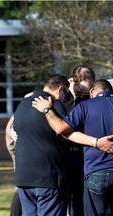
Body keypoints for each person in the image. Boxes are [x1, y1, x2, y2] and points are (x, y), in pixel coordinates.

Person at [32, 79, 113, 215]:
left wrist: (47, 110)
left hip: (97, 171)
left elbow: (61, 129)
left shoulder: (85, 106)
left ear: (92, 92)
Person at [13, 74, 70, 216]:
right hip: (48, 175)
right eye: (67, 94)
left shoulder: (22, 104)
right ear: (60, 89)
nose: (66, 98)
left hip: (24, 176)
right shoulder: (56, 106)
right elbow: (66, 136)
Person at [64, 65, 95, 216]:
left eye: (87, 92)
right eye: (80, 92)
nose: (84, 96)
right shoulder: (65, 100)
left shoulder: (95, 99)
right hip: (67, 158)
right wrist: (71, 96)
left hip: (87, 158)